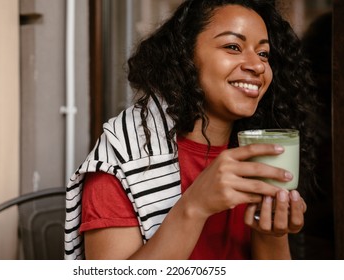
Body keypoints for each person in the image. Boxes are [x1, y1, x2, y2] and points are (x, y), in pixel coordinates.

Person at [65, 0, 318, 260]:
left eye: (264, 54)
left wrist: (270, 232)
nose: (257, 66)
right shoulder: (121, 158)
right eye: (233, 47)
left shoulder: (259, 156)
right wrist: (195, 205)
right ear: (185, 56)